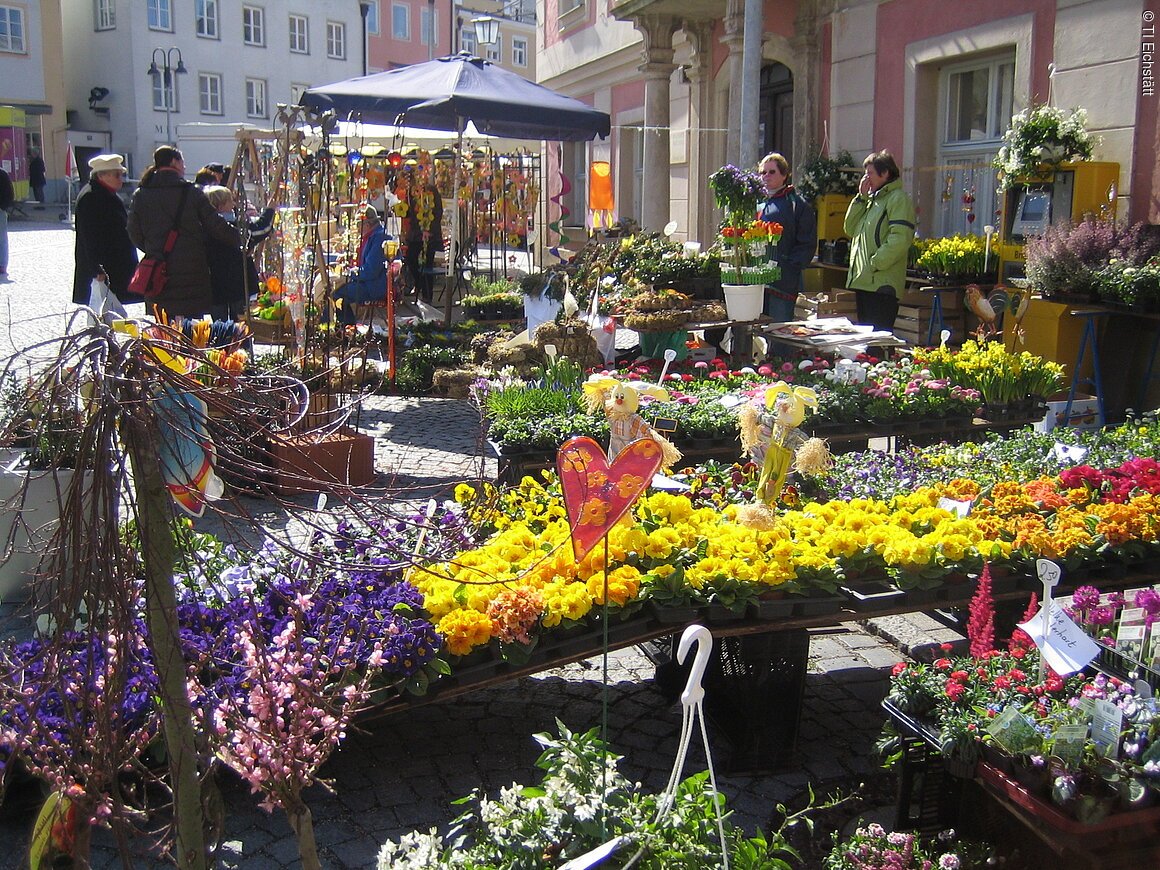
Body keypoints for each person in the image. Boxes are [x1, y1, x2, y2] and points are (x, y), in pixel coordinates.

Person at [128, 146, 241, 320]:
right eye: (182, 162)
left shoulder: (141, 194)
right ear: (174, 162)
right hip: (191, 273)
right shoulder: (191, 192)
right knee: (192, 332)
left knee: (164, 332)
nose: (185, 167)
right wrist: (241, 237)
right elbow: (216, 225)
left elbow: (134, 233)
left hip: (158, 272)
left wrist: (155, 249)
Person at [843, 149, 916, 332]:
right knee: (866, 340)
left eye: (870, 174)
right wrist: (860, 197)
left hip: (882, 284)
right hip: (864, 282)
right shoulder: (871, 201)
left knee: (879, 339)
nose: (866, 179)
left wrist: (876, 263)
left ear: (885, 173)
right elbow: (850, 228)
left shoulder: (897, 199)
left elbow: (900, 237)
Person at [72, 153, 141, 307]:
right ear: (102, 176)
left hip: (114, 266)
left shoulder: (104, 194)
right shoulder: (92, 197)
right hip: (105, 269)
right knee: (104, 312)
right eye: (117, 175)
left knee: (113, 311)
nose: (121, 179)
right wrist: (97, 268)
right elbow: (89, 236)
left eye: (121, 175)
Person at [757, 152, 817, 322]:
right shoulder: (756, 203)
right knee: (751, 331)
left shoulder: (797, 204)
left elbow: (807, 242)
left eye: (772, 172)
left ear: (784, 175)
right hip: (757, 281)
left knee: (779, 332)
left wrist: (790, 268)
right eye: (763, 172)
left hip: (782, 282)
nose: (766, 176)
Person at [201, 185, 275, 321]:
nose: (234, 204)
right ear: (221, 205)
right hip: (238, 284)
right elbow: (260, 230)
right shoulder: (231, 226)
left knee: (220, 327)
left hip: (214, 285)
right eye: (230, 201)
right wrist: (270, 210)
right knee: (242, 324)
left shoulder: (203, 227)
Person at [331, 205, 390, 325]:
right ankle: (346, 326)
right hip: (369, 283)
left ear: (367, 224)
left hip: (374, 287)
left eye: (359, 225)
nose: (358, 229)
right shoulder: (374, 235)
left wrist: (349, 274)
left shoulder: (379, 238)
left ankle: (346, 327)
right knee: (335, 288)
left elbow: (370, 271)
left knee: (336, 293)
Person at [401, 177, 443, 303]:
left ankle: (427, 296)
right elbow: (411, 213)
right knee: (410, 258)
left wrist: (430, 229)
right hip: (416, 234)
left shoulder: (432, 191)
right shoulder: (411, 193)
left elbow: (437, 212)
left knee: (427, 264)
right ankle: (420, 284)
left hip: (430, 234)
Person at [0, 165, 11, 279]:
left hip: (0, 211)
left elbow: (9, 193)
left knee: (2, 239)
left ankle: (2, 265)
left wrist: (3, 207)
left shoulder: (2, 174)